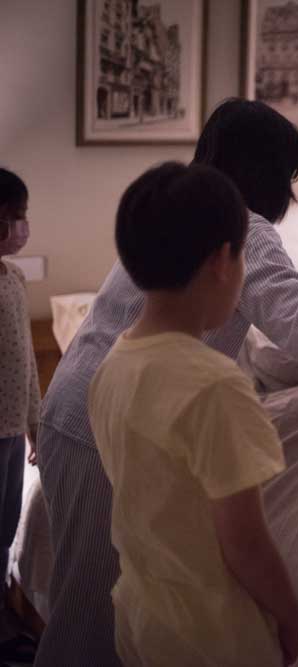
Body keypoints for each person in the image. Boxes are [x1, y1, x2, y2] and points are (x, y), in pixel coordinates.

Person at [34, 99, 298, 666]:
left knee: (93, 607)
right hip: (106, 426)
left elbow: (263, 347)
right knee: (88, 626)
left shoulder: (169, 214)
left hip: (78, 407)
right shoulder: (242, 231)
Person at [89, 161, 298, 666]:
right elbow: (245, 543)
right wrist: (290, 617)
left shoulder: (112, 366)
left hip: (142, 616)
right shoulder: (215, 386)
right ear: (223, 260)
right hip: (215, 635)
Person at [0, 169, 40, 661]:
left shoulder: (15, 279)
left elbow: (28, 358)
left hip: (12, 431)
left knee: (6, 525)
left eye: (22, 215)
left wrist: (35, 425)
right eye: (10, 217)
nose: (18, 227)